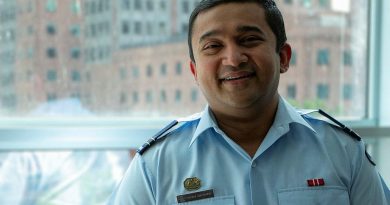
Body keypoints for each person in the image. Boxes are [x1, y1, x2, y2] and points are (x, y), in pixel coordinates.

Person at [109, 0, 390, 204]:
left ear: (283, 57)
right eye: (213, 46)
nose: (233, 59)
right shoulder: (156, 164)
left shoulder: (342, 150)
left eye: (249, 39)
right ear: (195, 71)